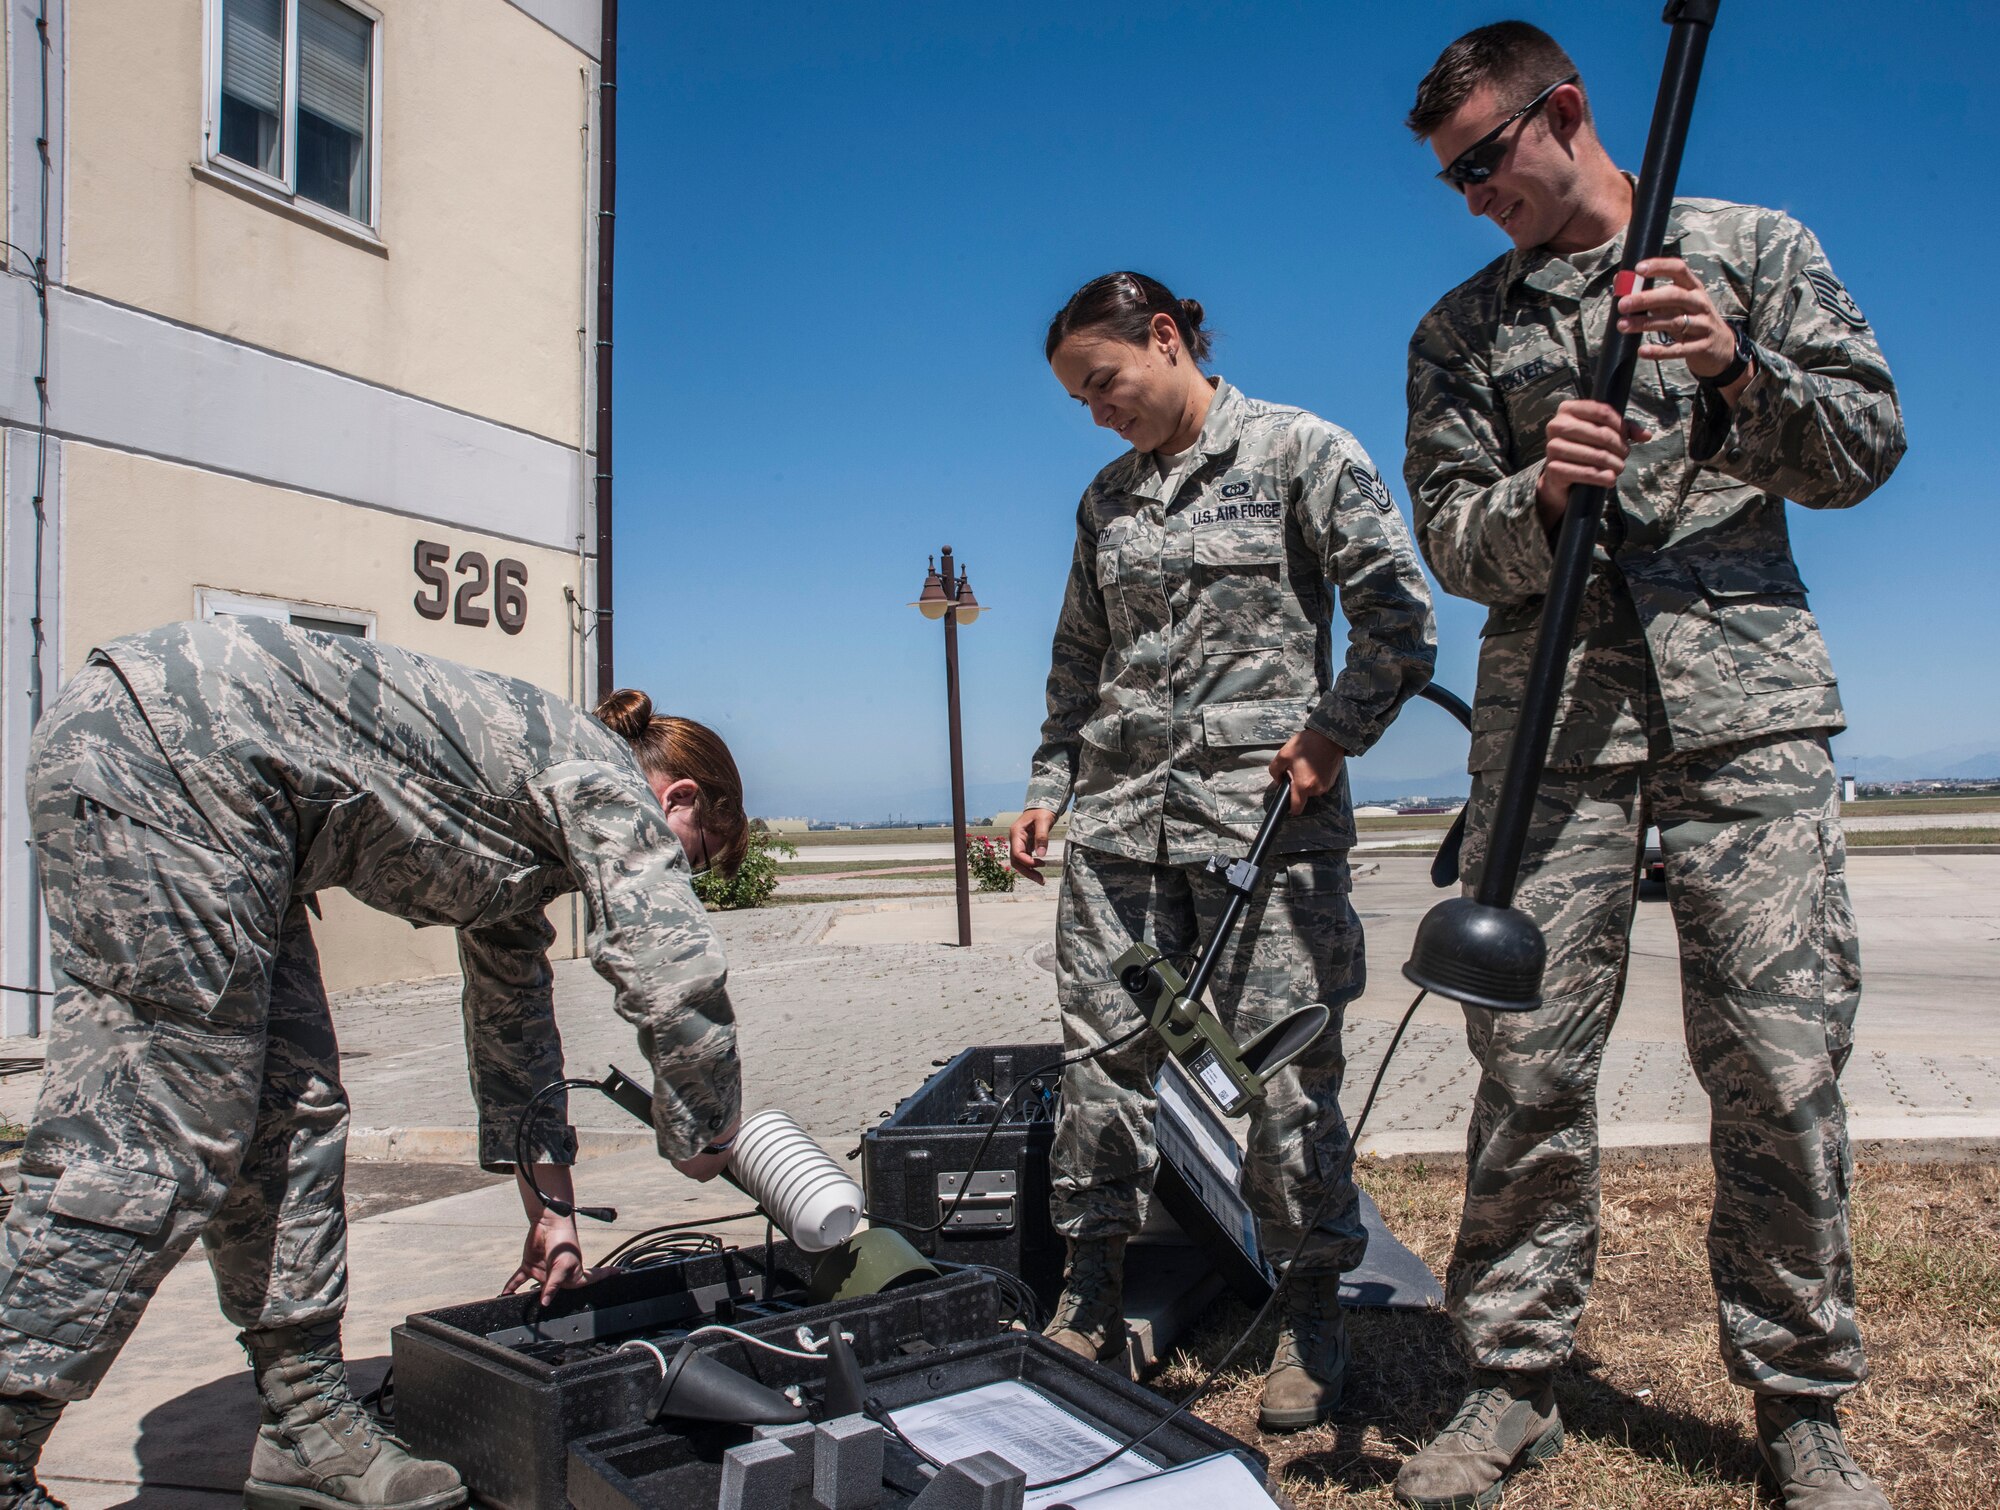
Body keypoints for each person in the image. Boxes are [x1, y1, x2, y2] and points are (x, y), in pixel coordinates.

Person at [1394, 22, 1905, 1510]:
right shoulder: (1461, 330)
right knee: (1528, 1062)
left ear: (1567, 112)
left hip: (1745, 714)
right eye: (1453, 177)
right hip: (1554, 733)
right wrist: (1539, 497)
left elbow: (1864, 445)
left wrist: (1740, 372)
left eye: (1487, 158)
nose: (1475, 192)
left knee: (1779, 1061)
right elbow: (1447, 534)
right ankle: (1509, 1382)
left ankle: (1802, 1401)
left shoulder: (1746, 248)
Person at [0, 617, 753, 1510]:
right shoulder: (605, 782)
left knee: (294, 1112)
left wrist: (552, 1213)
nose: (669, 866)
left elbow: (513, 1027)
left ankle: (307, 1424)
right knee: (159, 1132)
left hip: (237, 802)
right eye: (690, 855)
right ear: (679, 801)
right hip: (173, 753)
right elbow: (676, 972)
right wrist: (706, 1131)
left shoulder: (525, 823)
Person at [1010, 272, 1436, 1431]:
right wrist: (1049, 789)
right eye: (1079, 401)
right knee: (1101, 1063)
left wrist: (1332, 735)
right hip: (1117, 829)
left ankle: (1309, 1312)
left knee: (1285, 1081)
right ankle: (1089, 1294)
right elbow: (1073, 668)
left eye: (1103, 384)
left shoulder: (1300, 451)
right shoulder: (1105, 501)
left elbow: (1399, 621)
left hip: (1262, 825)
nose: (1098, 413)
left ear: (1165, 339)